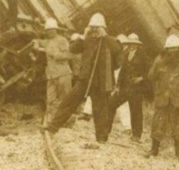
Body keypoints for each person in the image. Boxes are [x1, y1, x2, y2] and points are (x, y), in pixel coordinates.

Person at [45, 13, 122, 143]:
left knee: (100, 110)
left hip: (101, 82)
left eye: (97, 28)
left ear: (103, 28)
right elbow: (72, 49)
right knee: (68, 102)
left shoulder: (110, 41)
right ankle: (53, 127)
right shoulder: (87, 40)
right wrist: (82, 36)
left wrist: (105, 37)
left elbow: (118, 55)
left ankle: (101, 138)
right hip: (84, 79)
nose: (94, 30)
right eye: (92, 28)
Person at [146, 34, 179, 159]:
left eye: (175, 49)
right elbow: (150, 77)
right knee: (158, 125)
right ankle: (154, 150)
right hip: (163, 99)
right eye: (170, 50)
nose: (172, 53)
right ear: (166, 50)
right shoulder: (159, 62)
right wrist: (155, 64)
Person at [106, 33, 152, 142]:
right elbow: (122, 71)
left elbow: (150, 72)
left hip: (137, 89)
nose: (132, 46)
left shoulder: (143, 56)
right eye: (130, 43)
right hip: (125, 87)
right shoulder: (126, 54)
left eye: (134, 44)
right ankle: (106, 129)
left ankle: (136, 135)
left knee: (135, 111)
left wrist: (141, 78)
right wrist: (117, 86)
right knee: (111, 104)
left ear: (137, 44)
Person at [33, 18, 75, 125]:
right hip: (51, 75)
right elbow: (38, 42)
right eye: (47, 31)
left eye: (50, 30)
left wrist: (55, 55)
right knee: (50, 100)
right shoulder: (48, 41)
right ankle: (51, 121)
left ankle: (68, 121)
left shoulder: (62, 40)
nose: (48, 32)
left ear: (55, 30)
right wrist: (36, 43)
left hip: (63, 74)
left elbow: (69, 55)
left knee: (65, 100)